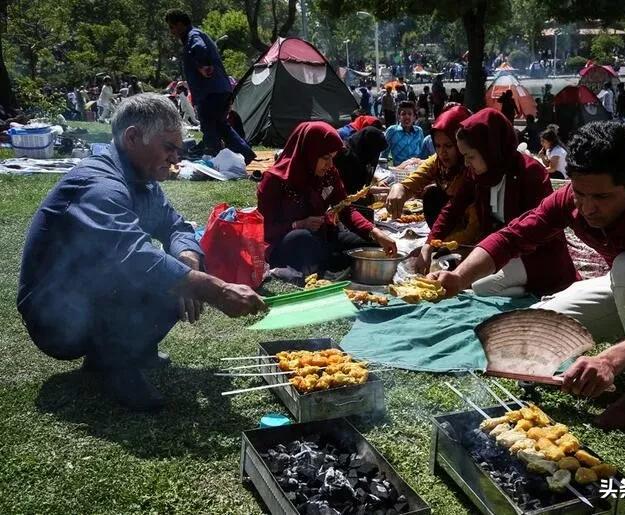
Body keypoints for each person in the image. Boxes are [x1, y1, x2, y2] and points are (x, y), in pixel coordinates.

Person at [430, 122, 625, 430]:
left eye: (602, 197)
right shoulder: (571, 200)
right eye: (580, 194)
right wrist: (460, 277)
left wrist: (610, 361)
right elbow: (513, 236)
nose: (588, 208)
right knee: (535, 328)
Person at [17, 94, 266, 411]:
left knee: (177, 274)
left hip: (85, 296)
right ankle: (116, 363)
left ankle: (124, 351)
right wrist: (216, 290)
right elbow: (132, 257)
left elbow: (176, 227)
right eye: (169, 147)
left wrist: (188, 264)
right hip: (54, 318)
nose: (175, 158)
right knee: (158, 274)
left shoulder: (140, 179)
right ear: (132, 137)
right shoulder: (99, 185)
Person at [422, 108, 579, 296]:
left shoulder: (530, 174)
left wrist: (477, 265)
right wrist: (429, 243)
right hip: (501, 250)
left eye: (470, 157)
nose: (466, 163)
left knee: (478, 286)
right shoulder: (477, 176)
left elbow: (530, 231)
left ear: (490, 149)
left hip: (535, 254)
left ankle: (538, 288)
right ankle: (526, 290)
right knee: (460, 271)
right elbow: (453, 208)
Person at [257, 122, 396, 276]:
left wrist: (374, 232)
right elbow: (264, 229)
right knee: (302, 238)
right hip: (287, 242)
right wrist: (299, 224)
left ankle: (332, 261)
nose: (330, 165)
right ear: (309, 152)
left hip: (323, 236)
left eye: (333, 158)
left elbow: (345, 208)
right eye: (325, 158)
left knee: (372, 244)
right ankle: (333, 261)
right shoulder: (274, 180)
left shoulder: (329, 174)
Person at [165, 9, 256, 164]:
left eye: (172, 27)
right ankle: (245, 154)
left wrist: (204, 65)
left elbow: (200, 49)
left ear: (180, 24)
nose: (171, 31)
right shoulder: (196, 35)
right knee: (220, 125)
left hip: (210, 92)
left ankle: (211, 157)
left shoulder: (193, 36)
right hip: (220, 89)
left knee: (209, 126)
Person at [385, 105, 481, 242]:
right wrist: (399, 187)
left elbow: (474, 227)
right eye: (438, 146)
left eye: (449, 146)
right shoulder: (438, 162)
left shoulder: (474, 168)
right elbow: (416, 178)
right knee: (432, 195)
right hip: (447, 227)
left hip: (475, 236)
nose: (442, 153)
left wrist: (439, 245)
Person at [333, 126, 388, 195]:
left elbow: (365, 170)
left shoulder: (363, 152)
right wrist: (382, 192)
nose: (375, 155)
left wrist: (377, 179)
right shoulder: (346, 157)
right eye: (375, 151)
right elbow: (353, 190)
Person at [382, 101, 424, 166]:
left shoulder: (419, 131)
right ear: (399, 117)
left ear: (414, 117)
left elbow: (422, 153)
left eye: (410, 114)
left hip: (417, 169)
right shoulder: (392, 131)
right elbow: (383, 155)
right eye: (403, 114)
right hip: (399, 169)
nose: (407, 116)